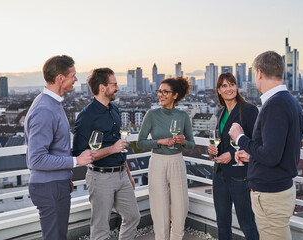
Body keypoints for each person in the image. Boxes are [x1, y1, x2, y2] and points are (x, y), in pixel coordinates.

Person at [229, 51, 303, 240]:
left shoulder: (275, 105)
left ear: (260, 73)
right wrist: (253, 155)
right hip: (279, 190)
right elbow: (278, 149)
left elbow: (271, 155)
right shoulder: (291, 102)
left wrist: (240, 139)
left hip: (271, 194)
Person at [24, 55, 94, 240]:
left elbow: (55, 149)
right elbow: (36, 159)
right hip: (49, 187)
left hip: (55, 183)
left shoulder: (52, 104)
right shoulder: (44, 109)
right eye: (73, 75)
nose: (76, 79)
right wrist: (76, 161)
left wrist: (64, 177)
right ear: (60, 78)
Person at [72, 68, 140, 240]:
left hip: (122, 174)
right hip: (100, 177)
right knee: (101, 228)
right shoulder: (86, 116)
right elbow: (79, 154)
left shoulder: (114, 109)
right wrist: (112, 149)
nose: (117, 88)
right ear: (102, 87)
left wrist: (129, 174)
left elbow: (118, 145)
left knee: (133, 216)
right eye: (114, 84)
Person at [137, 77, 195, 240]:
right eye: (159, 91)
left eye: (165, 92)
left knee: (180, 209)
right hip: (157, 163)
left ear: (175, 95)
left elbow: (191, 144)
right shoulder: (151, 115)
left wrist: (183, 142)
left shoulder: (183, 116)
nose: (160, 95)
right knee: (159, 209)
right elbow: (140, 142)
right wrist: (159, 142)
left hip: (177, 161)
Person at [207, 72, 259, 240]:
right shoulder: (221, 113)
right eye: (224, 86)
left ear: (237, 87)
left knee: (247, 224)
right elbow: (221, 142)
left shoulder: (249, 110)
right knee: (222, 223)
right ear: (219, 91)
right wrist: (212, 150)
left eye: (232, 84)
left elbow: (256, 142)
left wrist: (231, 154)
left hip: (239, 176)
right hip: (219, 174)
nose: (229, 88)